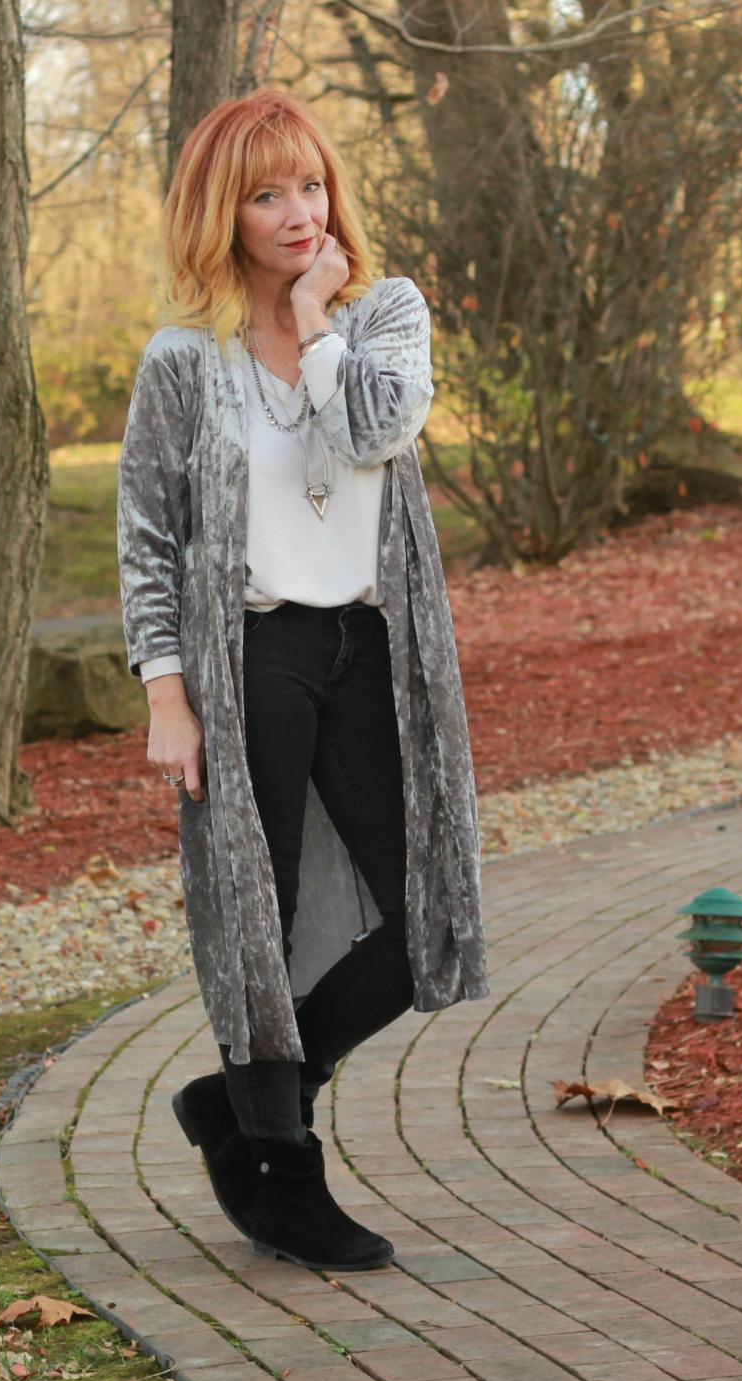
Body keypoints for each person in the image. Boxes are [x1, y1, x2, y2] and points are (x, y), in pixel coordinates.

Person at [115, 90, 489, 1273]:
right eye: (267, 193)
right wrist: (166, 694)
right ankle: (282, 1168)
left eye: (311, 186)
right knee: (256, 915)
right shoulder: (186, 359)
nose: (296, 212)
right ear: (223, 211)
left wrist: (320, 316)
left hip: (373, 650)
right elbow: (147, 535)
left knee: (424, 906)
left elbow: (381, 430)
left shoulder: (383, 312)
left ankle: (245, 1103)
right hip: (254, 657)